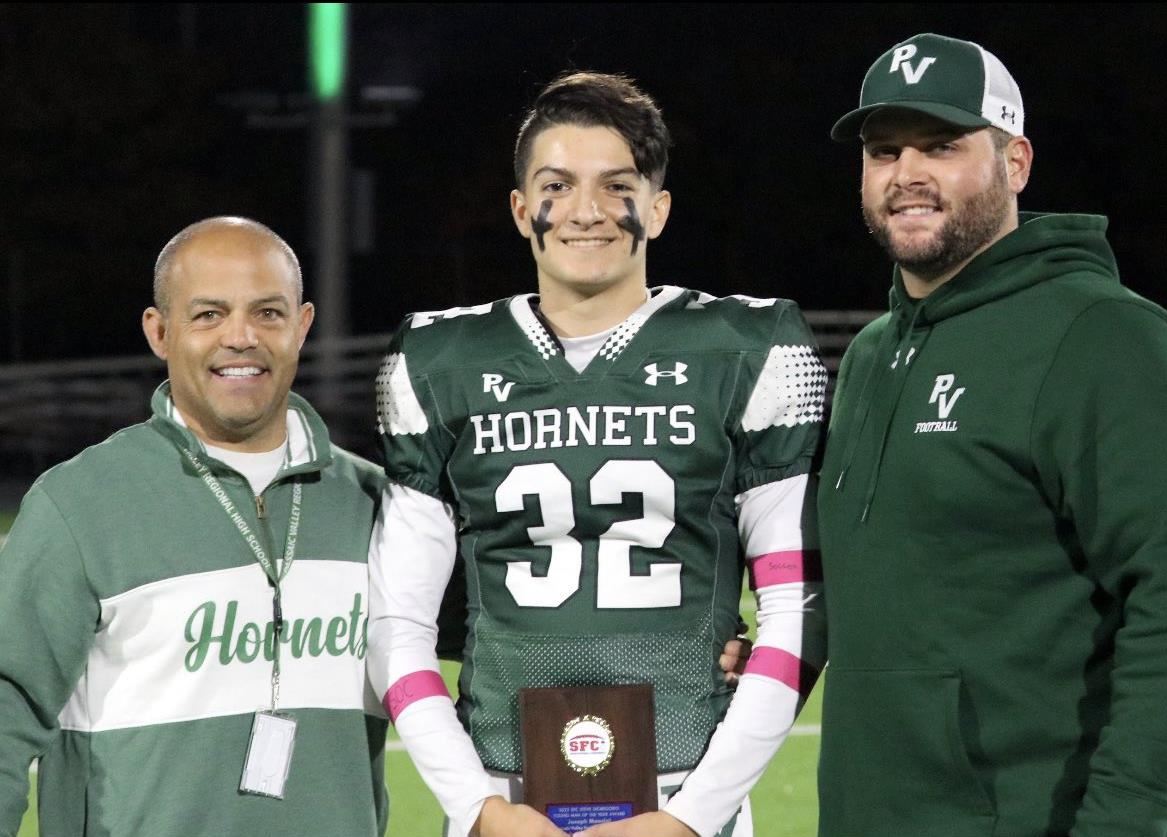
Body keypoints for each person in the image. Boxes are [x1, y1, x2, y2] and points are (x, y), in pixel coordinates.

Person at [367, 71, 827, 837]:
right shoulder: (441, 360)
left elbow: (797, 604)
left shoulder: (744, 348)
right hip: (501, 791)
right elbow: (397, 619)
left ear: (658, 207)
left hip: (687, 791)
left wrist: (689, 818)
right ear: (521, 210)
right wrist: (476, 807)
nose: (585, 211)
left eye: (616, 185)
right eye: (557, 184)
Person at [819, 32, 1167, 836]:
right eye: (884, 151)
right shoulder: (874, 353)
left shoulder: (1104, 335)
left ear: (1015, 162)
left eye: (941, 146)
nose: (906, 174)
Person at [0, 217, 391, 836]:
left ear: (302, 325)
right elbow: (6, 699)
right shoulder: (80, 503)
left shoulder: (376, 504)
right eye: (208, 314)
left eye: (267, 312)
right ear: (159, 332)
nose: (240, 337)